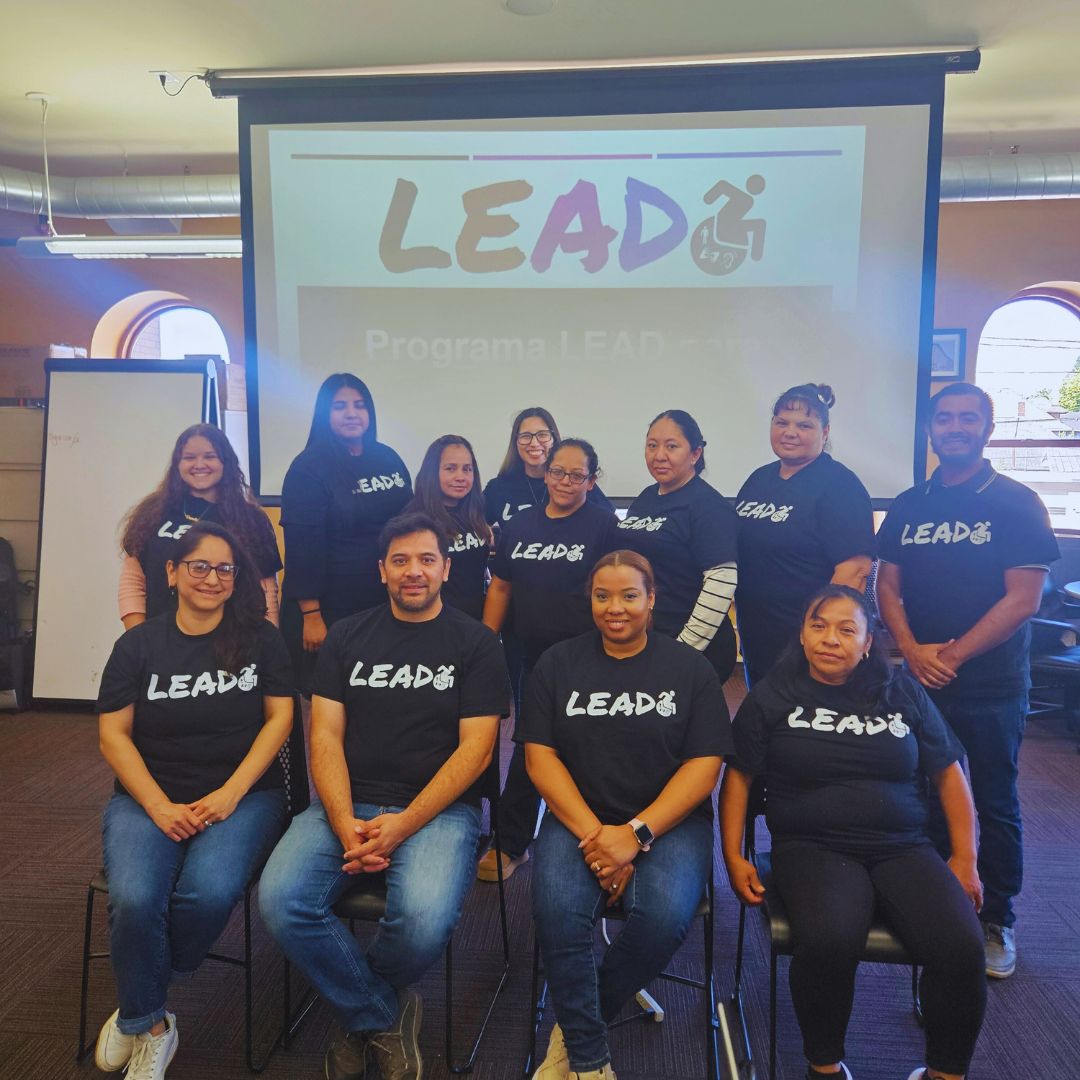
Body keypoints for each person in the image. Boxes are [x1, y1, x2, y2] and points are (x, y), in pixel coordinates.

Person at [259, 512, 510, 1080]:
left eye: (426, 560)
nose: (413, 572)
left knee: (421, 919)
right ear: (381, 571)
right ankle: (381, 1014)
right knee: (280, 901)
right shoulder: (347, 636)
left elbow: (477, 751)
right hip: (343, 802)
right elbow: (323, 734)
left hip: (440, 812)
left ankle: (359, 1014)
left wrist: (402, 825)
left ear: (447, 568)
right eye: (400, 561)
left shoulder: (476, 644)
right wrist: (345, 819)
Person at [720, 585, 986, 1080]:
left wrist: (965, 858)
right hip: (812, 847)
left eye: (847, 629)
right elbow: (737, 779)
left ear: (867, 644)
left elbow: (949, 772)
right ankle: (824, 1066)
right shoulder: (772, 695)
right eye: (818, 626)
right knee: (828, 940)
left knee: (962, 946)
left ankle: (944, 1072)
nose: (829, 639)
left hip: (903, 845)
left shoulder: (902, 691)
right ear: (801, 634)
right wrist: (734, 855)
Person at [521, 550, 730, 1080]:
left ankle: (573, 1027)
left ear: (652, 599)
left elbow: (704, 768)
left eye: (629, 595)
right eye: (602, 596)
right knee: (558, 912)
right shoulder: (557, 663)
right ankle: (592, 1066)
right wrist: (599, 838)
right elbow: (538, 757)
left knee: (662, 916)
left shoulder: (690, 669)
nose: (616, 608)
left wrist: (635, 835)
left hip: (668, 822)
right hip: (578, 819)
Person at [95, 522, 294, 1080]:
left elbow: (281, 717)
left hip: (244, 796)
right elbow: (114, 736)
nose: (212, 578)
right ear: (172, 573)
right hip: (148, 796)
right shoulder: (137, 645)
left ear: (236, 580)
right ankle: (152, 1022)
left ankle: (140, 999)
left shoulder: (261, 639)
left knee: (206, 894)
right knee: (134, 899)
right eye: (199, 566)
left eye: (225, 569)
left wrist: (232, 792)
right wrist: (158, 806)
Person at [876, 382, 1059, 979]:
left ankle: (995, 919)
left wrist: (951, 655)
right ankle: (934, 907)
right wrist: (909, 650)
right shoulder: (909, 503)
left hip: (991, 686)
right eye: (944, 418)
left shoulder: (1015, 501)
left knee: (994, 801)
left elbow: (1022, 600)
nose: (954, 427)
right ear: (931, 427)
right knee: (920, 795)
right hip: (919, 681)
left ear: (987, 428)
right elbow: (887, 586)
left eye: (967, 418)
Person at [478, 439, 619, 882]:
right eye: (557, 472)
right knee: (530, 743)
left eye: (576, 475)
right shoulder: (519, 525)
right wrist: (485, 645)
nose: (564, 481)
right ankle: (513, 839)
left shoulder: (604, 525)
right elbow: (501, 588)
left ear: (591, 480)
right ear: (545, 472)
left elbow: (617, 589)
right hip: (530, 656)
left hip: (590, 656)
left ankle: (598, 835)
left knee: (592, 743)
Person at [735, 384, 875, 685]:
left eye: (804, 425)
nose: (790, 432)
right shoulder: (758, 479)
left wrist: (817, 632)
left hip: (808, 641)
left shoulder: (841, 486)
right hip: (756, 631)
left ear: (824, 433)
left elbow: (855, 570)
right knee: (762, 714)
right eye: (781, 422)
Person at [280, 373, 412, 690]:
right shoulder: (308, 468)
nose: (351, 413)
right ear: (324, 413)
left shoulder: (388, 458)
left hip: (382, 603)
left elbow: (412, 521)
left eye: (359, 405)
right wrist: (311, 615)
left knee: (380, 694)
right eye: (339, 406)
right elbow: (302, 548)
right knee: (333, 698)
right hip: (330, 611)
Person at [119, 424, 282, 629]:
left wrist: (269, 641)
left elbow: (266, 590)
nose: (199, 464)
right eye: (189, 457)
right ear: (177, 464)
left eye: (209, 456)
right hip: (161, 643)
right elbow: (133, 582)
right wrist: (138, 642)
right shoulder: (151, 513)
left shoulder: (251, 519)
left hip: (234, 643)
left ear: (225, 462)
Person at [617, 410, 739, 679]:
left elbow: (721, 584)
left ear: (695, 454)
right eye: (652, 445)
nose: (659, 455)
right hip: (650, 639)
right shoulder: (646, 498)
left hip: (693, 647)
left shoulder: (708, 506)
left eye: (671, 446)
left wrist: (683, 650)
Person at [404, 435, 492, 620]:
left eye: (467, 469)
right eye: (450, 469)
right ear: (432, 472)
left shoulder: (474, 512)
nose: (460, 477)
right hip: (435, 625)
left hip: (475, 623)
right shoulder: (415, 519)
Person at [482, 406, 614, 528]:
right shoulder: (498, 488)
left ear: (554, 439)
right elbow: (473, 524)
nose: (534, 443)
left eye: (542, 435)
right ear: (515, 442)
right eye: (525, 436)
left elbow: (608, 522)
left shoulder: (574, 482)